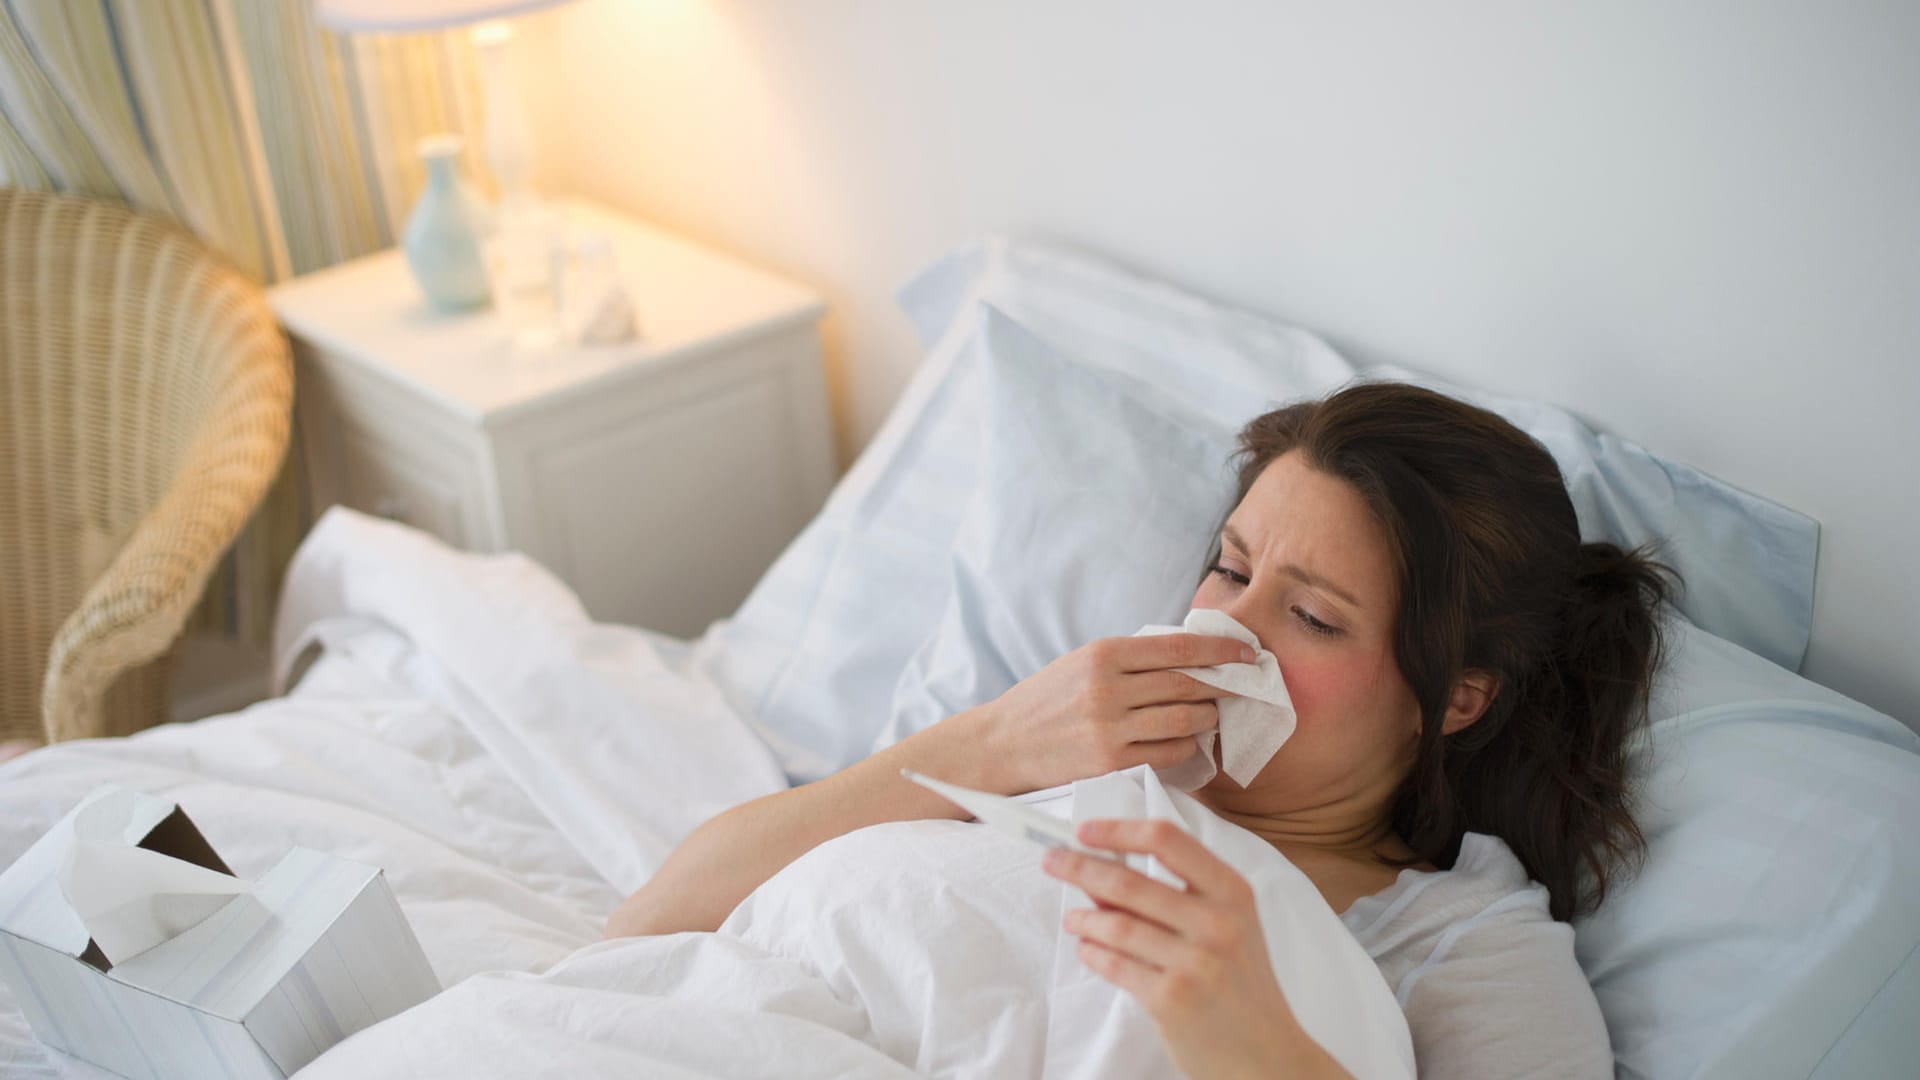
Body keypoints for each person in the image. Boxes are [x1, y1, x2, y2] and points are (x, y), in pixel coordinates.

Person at [607, 381, 1674, 1079]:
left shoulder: (1468, 945)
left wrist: (1243, 1032)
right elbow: (652, 923)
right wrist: (987, 747)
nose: (1226, 628)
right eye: (1232, 566)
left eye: (1310, 616)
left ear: (1457, 699)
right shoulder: (1061, 748)